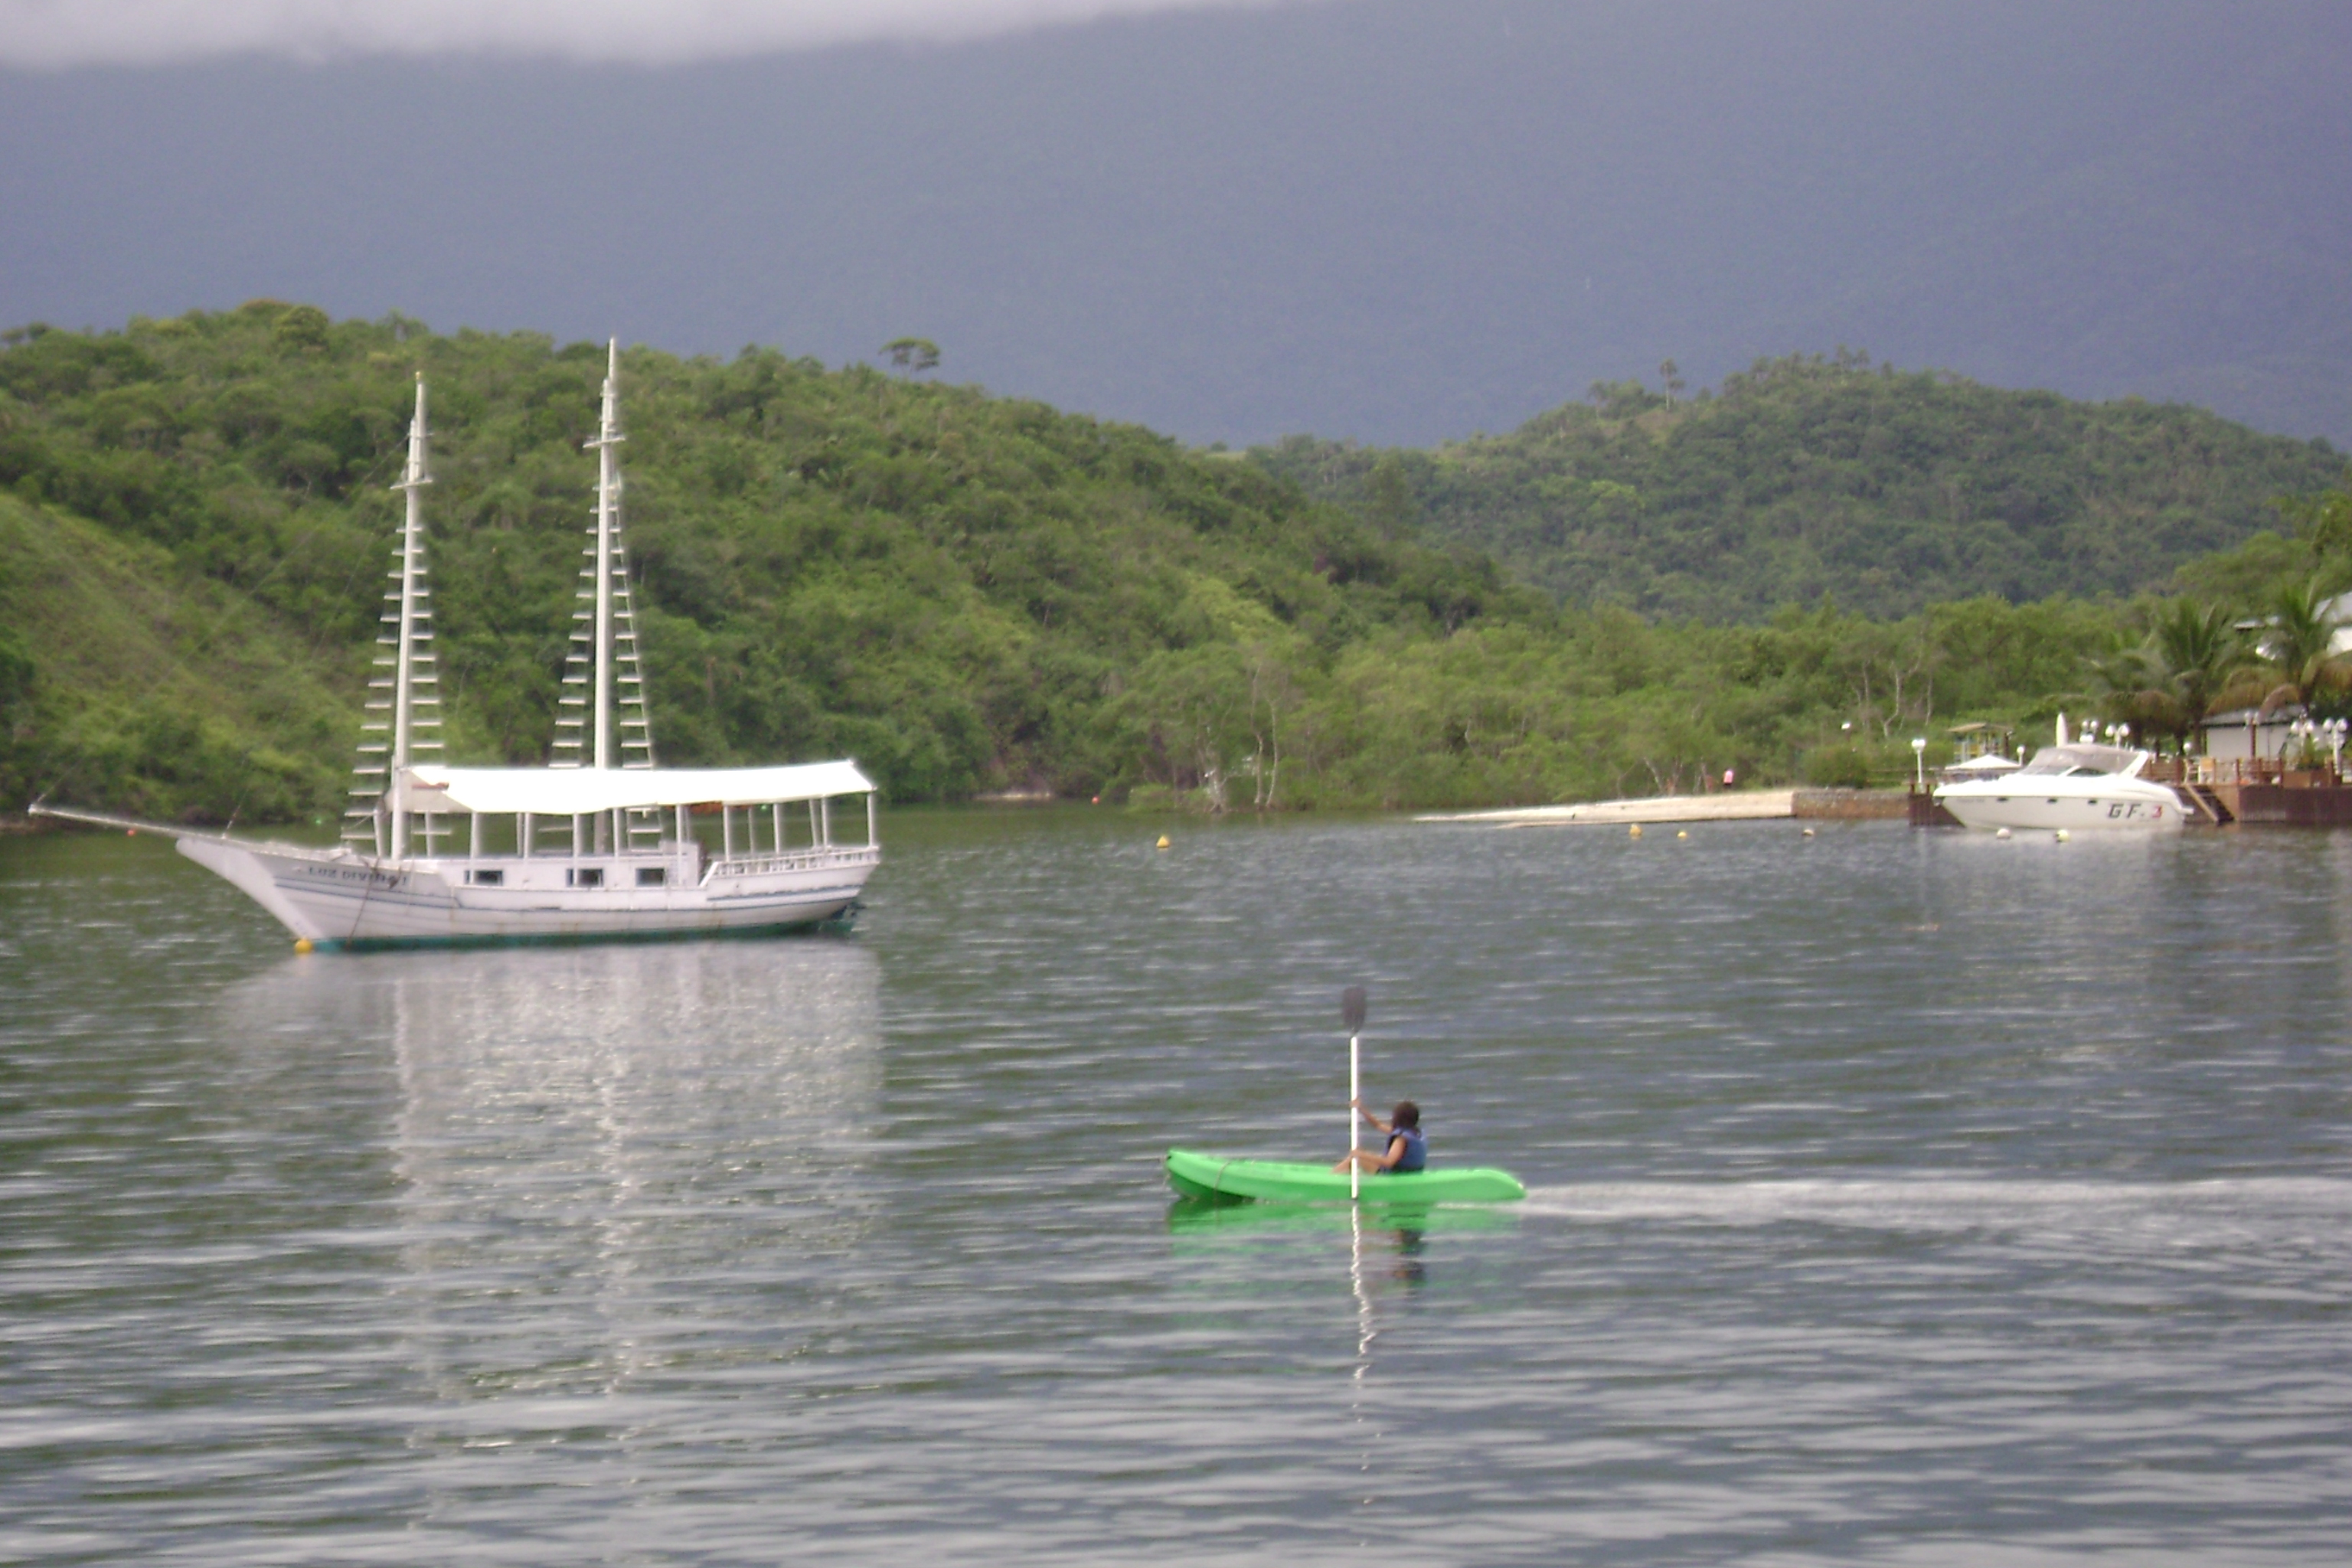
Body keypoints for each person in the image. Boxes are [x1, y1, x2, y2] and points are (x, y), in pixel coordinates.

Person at [1333, 1098, 1426, 1174]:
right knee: (1367, 1155)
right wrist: (1361, 1108)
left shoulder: (1401, 1139)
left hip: (1397, 1174)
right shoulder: (1415, 1133)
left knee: (1357, 1159)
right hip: (1412, 1171)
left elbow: (1389, 1162)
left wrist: (1360, 1154)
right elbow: (1378, 1125)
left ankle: (1333, 1177)